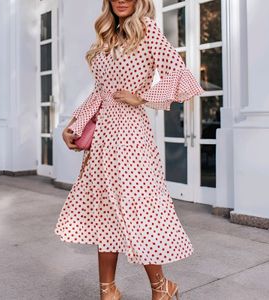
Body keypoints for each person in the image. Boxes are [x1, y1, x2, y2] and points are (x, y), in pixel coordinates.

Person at [54, 0, 204, 299]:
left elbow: (180, 75)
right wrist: (75, 124)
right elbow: (99, 93)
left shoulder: (147, 30)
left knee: (139, 210)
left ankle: (161, 288)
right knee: (105, 208)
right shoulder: (107, 36)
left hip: (132, 135)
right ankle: (108, 291)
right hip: (104, 138)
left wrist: (144, 97)